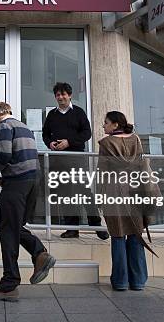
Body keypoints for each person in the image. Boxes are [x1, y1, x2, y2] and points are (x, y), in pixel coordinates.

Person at [0, 102, 56, 301]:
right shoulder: (24, 127)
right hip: (32, 181)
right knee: (14, 226)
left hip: (17, 184)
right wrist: (5, 179)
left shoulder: (4, 126)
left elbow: (5, 154)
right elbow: (22, 159)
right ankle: (39, 253)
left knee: (7, 230)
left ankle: (9, 285)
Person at [42, 82, 108, 240]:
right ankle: (72, 229)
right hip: (58, 160)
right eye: (58, 95)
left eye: (63, 94)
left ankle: (97, 226)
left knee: (83, 192)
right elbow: (45, 134)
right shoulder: (51, 114)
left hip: (77, 159)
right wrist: (50, 143)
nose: (60, 97)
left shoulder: (78, 112)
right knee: (65, 194)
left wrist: (69, 142)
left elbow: (87, 133)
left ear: (70, 95)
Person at [97, 111, 148, 291]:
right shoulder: (136, 140)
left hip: (114, 192)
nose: (103, 126)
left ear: (115, 125)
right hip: (135, 190)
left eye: (106, 123)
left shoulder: (106, 143)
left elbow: (102, 172)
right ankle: (138, 280)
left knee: (118, 235)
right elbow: (143, 166)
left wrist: (98, 196)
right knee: (135, 234)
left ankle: (120, 281)